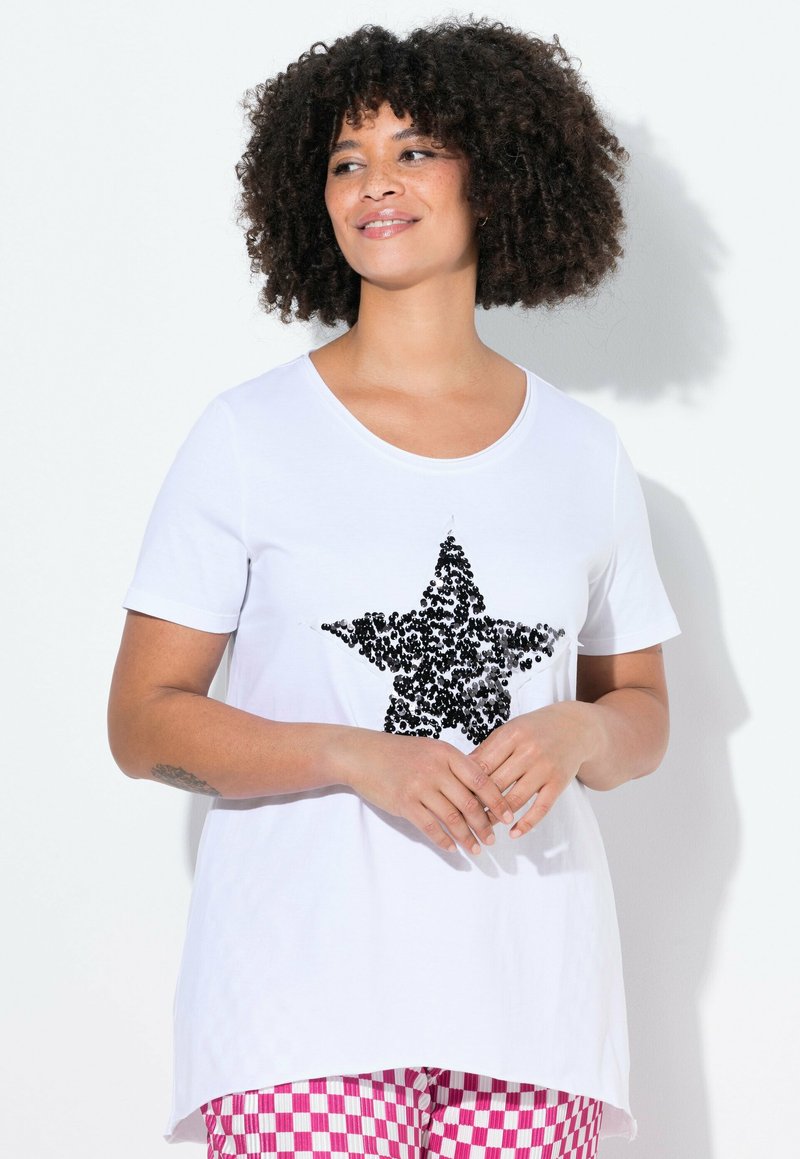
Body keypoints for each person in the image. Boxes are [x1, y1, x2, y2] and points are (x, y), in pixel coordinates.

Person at [107, 16, 680, 1159]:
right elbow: (141, 723)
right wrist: (350, 753)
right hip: (299, 1006)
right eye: (344, 160)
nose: (375, 182)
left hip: (534, 1007)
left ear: (495, 176)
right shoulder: (249, 436)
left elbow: (642, 716)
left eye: (414, 150)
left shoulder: (581, 454)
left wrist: (576, 730)